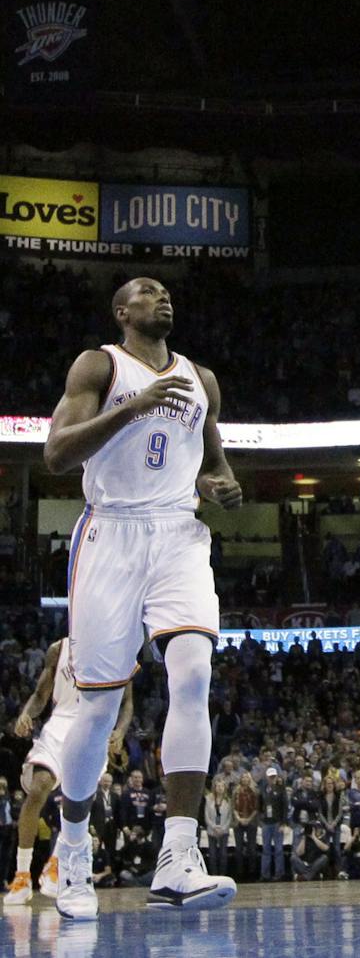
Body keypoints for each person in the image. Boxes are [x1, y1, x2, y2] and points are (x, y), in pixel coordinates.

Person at [42, 277, 243, 918]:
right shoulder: (99, 364)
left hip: (179, 534)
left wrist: (221, 486)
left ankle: (177, 859)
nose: (162, 298)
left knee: (193, 672)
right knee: (96, 710)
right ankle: (73, 851)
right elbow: (54, 455)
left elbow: (214, 462)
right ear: (122, 311)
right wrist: (136, 405)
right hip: (110, 533)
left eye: (166, 292)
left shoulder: (200, 379)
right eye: (146, 292)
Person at [5, 638, 132, 907]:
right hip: (59, 726)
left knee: (78, 802)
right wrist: (27, 714)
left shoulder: (119, 647)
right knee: (38, 788)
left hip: (93, 729)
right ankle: (22, 874)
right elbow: (40, 695)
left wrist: (120, 731)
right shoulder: (58, 649)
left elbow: (127, 703)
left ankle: (55, 863)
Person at [202, 783, 232, 878]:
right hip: (212, 830)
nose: (219, 788)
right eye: (217, 786)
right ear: (214, 788)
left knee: (223, 854)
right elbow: (206, 816)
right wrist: (214, 827)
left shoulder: (228, 800)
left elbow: (229, 817)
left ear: (224, 788)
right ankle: (213, 875)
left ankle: (223, 875)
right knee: (212, 854)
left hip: (224, 830)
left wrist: (223, 828)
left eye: (221, 786)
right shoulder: (208, 799)